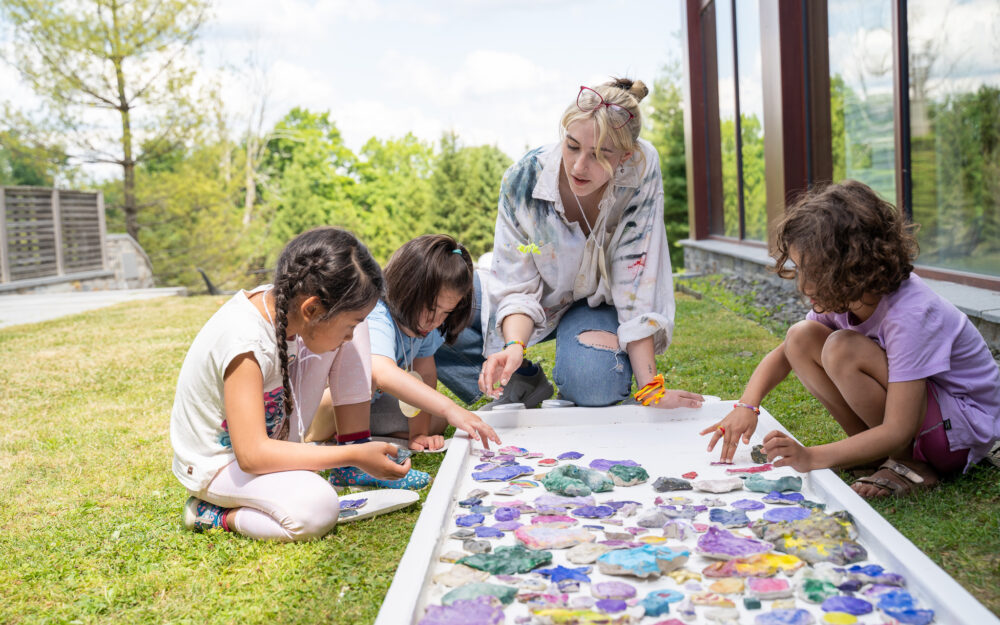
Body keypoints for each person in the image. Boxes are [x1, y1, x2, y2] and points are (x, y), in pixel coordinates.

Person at [701, 180, 1000, 498]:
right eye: (800, 269)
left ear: (853, 266)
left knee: (843, 348)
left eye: (813, 271)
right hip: (931, 420)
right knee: (801, 337)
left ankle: (910, 465)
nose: (803, 286)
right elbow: (786, 353)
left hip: (958, 435)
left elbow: (899, 427)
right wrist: (747, 405)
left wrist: (812, 456)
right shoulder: (849, 296)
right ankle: (874, 456)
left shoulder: (910, 313)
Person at [436, 77, 703, 410]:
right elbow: (516, 285)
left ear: (625, 155)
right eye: (572, 145)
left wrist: (651, 388)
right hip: (537, 300)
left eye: (600, 154)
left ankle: (576, 363)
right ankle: (522, 382)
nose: (579, 166)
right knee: (429, 307)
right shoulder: (522, 179)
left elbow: (638, 279)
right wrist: (514, 345)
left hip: (598, 304)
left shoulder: (642, 168)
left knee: (594, 385)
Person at [170, 227, 426, 542]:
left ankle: (337, 453)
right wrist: (353, 455)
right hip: (223, 464)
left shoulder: (286, 307)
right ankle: (214, 514)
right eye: (348, 325)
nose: (350, 336)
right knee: (316, 508)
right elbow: (251, 456)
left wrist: (352, 450)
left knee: (350, 328)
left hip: (267, 449)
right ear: (312, 309)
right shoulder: (244, 341)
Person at [307, 234, 501, 452]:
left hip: (368, 405)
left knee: (436, 420)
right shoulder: (377, 313)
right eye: (431, 308)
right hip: (321, 406)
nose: (436, 320)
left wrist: (419, 433)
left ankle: (355, 435)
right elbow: (381, 372)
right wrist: (450, 408)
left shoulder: (426, 326)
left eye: (446, 312)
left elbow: (425, 374)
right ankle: (316, 438)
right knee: (368, 382)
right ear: (406, 288)